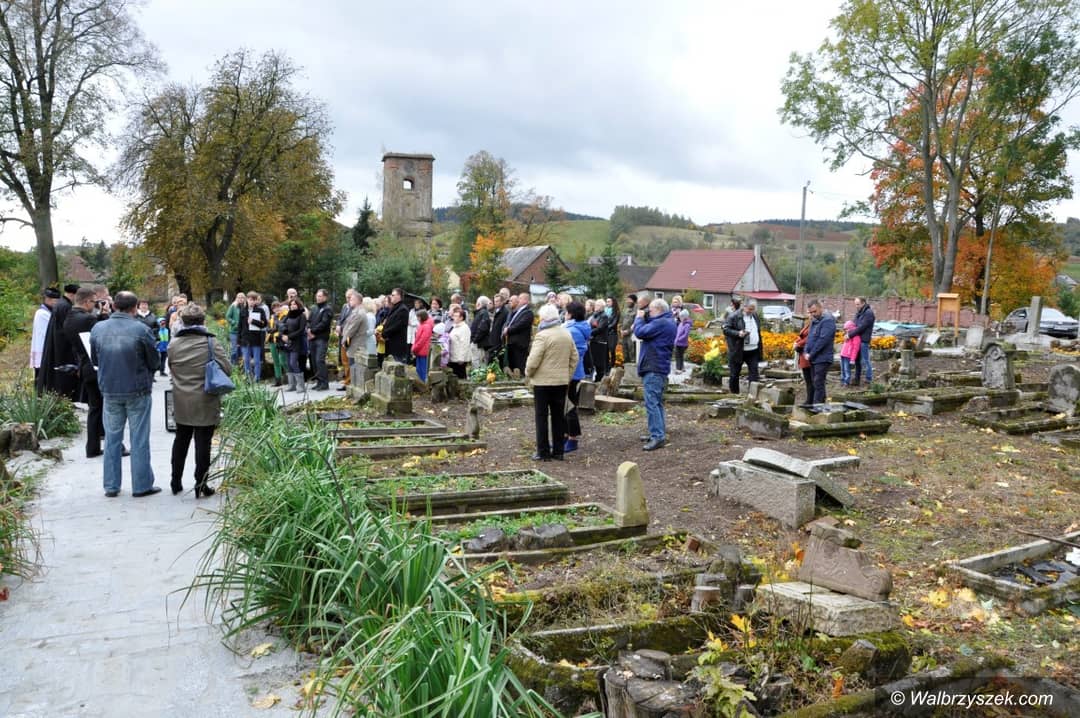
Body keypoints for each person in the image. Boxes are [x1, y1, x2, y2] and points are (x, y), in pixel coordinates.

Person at [90, 291, 160, 498]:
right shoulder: (141, 329)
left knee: (112, 438)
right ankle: (141, 485)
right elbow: (154, 361)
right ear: (134, 308)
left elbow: (95, 359)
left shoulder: (98, 329)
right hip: (137, 389)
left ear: (114, 306)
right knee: (139, 438)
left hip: (110, 389)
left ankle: (111, 485)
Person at [167, 303, 230, 498]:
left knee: (181, 440)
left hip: (181, 398)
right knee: (203, 443)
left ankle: (175, 481)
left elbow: (171, 367)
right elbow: (227, 369)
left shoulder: (174, 344)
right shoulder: (211, 343)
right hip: (205, 398)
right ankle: (200, 484)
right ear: (203, 321)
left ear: (183, 322)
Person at [525, 303, 578, 462]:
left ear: (544, 318)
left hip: (542, 383)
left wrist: (528, 373)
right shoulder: (566, 334)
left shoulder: (542, 336)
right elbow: (574, 358)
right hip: (560, 382)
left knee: (541, 417)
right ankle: (558, 451)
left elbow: (533, 360)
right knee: (558, 417)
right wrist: (567, 375)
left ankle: (543, 451)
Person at [63, 286, 109, 458]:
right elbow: (104, 335)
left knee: (95, 408)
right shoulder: (88, 319)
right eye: (94, 302)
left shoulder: (69, 318)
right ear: (87, 301)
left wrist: (100, 316)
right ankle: (114, 446)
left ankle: (92, 447)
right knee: (107, 408)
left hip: (84, 366)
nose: (95, 305)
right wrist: (105, 315)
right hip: (96, 366)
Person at [634, 298, 676, 451]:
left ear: (658, 309)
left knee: (652, 403)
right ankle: (658, 433)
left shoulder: (661, 323)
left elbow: (640, 332)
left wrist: (639, 318)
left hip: (654, 367)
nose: (648, 313)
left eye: (650, 310)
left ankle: (657, 436)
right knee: (657, 402)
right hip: (658, 366)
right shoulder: (667, 321)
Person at [35, 282, 80, 400]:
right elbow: (66, 329)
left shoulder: (60, 304)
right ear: (73, 294)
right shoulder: (65, 306)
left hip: (56, 342)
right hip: (61, 346)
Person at [562, 301, 591, 454]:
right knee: (565, 405)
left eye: (566, 312)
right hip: (572, 372)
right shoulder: (577, 328)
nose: (564, 314)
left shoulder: (572, 331)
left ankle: (572, 438)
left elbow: (573, 353)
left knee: (569, 406)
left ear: (571, 314)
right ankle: (565, 436)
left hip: (571, 373)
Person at [723, 299, 762, 395]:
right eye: (750, 309)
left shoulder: (755, 316)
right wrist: (738, 333)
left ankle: (752, 395)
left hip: (753, 350)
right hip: (738, 350)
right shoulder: (734, 316)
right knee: (734, 374)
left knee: (754, 373)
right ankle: (734, 395)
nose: (751, 311)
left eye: (753, 309)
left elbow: (758, 331)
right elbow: (726, 329)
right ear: (744, 307)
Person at [803, 299, 837, 404]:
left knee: (818, 382)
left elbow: (823, 340)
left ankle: (817, 405)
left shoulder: (828, 320)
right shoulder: (815, 320)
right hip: (814, 357)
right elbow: (810, 338)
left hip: (823, 357)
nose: (813, 314)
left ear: (820, 308)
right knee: (816, 382)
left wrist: (811, 354)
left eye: (815, 311)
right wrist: (805, 351)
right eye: (811, 312)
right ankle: (821, 404)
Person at [340, 290, 369, 390]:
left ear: (357, 301)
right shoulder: (355, 312)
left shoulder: (359, 313)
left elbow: (351, 330)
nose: (349, 301)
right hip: (353, 344)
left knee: (354, 368)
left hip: (355, 345)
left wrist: (344, 342)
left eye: (352, 299)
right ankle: (353, 387)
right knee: (352, 367)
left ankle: (354, 389)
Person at [31, 287, 59, 382]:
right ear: (48, 299)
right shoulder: (42, 313)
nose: (56, 303)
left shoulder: (47, 312)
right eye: (55, 301)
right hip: (42, 348)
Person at [239, 291, 268, 380]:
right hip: (245, 339)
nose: (251, 301)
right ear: (247, 300)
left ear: (256, 301)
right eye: (250, 299)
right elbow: (239, 326)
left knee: (256, 360)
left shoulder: (260, 310)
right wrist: (238, 340)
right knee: (246, 360)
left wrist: (253, 321)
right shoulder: (243, 310)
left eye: (253, 300)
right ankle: (248, 378)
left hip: (256, 339)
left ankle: (257, 378)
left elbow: (264, 324)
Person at [308, 288, 333, 391]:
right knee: (313, 361)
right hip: (312, 338)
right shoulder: (314, 308)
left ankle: (324, 383)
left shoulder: (327, 309)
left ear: (325, 297)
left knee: (319, 360)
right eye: (317, 296)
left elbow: (324, 323)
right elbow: (309, 320)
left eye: (320, 296)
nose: (318, 298)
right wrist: (308, 330)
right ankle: (318, 381)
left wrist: (312, 331)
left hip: (321, 338)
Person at [503, 293, 534, 376]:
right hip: (512, 343)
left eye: (520, 298)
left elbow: (520, 324)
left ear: (526, 300)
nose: (518, 300)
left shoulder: (528, 312)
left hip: (520, 344)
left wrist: (508, 330)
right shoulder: (519, 311)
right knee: (513, 367)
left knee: (519, 368)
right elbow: (511, 322)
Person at [848, 297, 876, 387]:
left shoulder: (868, 313)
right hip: (857, 339)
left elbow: (861, 327)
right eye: (855, 304)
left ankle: (868, 379)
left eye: (858, 304)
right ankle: (857, 378)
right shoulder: (859, 312)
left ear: (863, 303)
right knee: (857, 360)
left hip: (864, 339)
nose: (856, 306)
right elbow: (854, 324)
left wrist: (850, 335)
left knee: (865, 360)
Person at [281, 298, 307, 392]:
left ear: (298, 305)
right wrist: (284, 333)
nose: (292, 306)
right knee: (288, 364)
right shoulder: (288, 314)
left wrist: (289, 336)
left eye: (294, 304)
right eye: (291, 304)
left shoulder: (301, 315)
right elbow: (282, 324)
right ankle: (291, 385)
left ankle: (301, 386)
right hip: (287, 342)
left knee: (293, 362)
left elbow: (301, 330)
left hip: (296, 342)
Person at [380, 287, 411, 363]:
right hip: (390, 343)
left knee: (396, 366)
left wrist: (384, 333)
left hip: (397, 345)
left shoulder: (403, 309)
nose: (391, 297)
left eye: (393, 295)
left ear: (399, 296)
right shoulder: (395, 308)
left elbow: (396, 326)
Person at [792, 315, 814, 404]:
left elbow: (809, 338)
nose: (809, 314)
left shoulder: (815, 324)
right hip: (803, 353)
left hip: (807, 354)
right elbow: (802, 336)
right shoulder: (808, 323)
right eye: (809, 312)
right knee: (808, 379)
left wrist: (798, 344)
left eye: (812, 312)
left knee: (810, 379)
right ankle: (809, 399)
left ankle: (810, 400)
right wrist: (796, 342)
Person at [447, 305, 472, 379]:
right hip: (453, 356)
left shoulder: (464, 328)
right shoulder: (455, 327)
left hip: (459, 358)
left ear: (461, 318)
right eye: (453, 316)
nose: (453, 317)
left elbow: (464, 344)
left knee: (460, 377)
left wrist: (461, 358)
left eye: (456, 316)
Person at [588, 299, 610, 379]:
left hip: (600, 341)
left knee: (599, 362)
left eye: (597, 305)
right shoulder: (594, 315)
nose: (595, 306)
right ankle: (595, 377)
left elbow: (600, 328)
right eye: (596, 305)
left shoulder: (604, 316)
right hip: (593, 340)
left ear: (602, 307)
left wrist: (589, 332)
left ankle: (600, 379)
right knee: (594, 361)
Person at [268, 300, 288, 387]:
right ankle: (278, 380)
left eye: (278, 307)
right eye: (274, 308)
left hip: (281, 341)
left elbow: (281, 328)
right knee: (276, 361)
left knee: (283, 361)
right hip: (272, 340)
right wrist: (274, 329)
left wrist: (273, 329)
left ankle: (291, 378)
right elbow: (268, 329)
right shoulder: (271, 318)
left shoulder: (284, 316)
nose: (276, 309)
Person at [411, 309, 433, 382]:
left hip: (422, 350)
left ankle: (423, 383)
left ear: (421, 317)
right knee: (418, 369)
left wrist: (415, 348)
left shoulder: (426, 326)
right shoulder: (421, 325)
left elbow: (422, 340)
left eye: (418, 317)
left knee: (422, 370)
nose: (417, 318)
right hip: (418, 350)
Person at [486, 292, 508, 364]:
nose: (495, 303)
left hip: (498, 341)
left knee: (494, 361)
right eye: (495, 301)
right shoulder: (497, 310)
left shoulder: (505, 312)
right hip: (493, 340)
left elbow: (502, 327)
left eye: (497, 301)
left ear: (502, 302)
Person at [470, 296, 492, 365]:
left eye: (477, 302)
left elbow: (482, 329)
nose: (476, 304)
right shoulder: (480, 313)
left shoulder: (483, 313)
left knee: (478, 364)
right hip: (477, 343)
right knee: (476, 363)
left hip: (479, 344)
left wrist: (474, 340)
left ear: (479, 304)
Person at [225, 292, 246, 364]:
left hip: (243, 332)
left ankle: (241, 365)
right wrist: (234, 323)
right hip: (234, 331)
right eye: (239, 297)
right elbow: (227, 317)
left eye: (242, 298)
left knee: (242, 350)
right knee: (235, 349)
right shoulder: (233, 306)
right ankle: (233, 365)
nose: (240, 299)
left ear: (244, 299)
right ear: (236, 298)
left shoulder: (245, 307)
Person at [840, 320, 862, 387]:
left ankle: (847, 382)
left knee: (847, 369)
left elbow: (855, 349)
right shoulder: (847, 335)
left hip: (848, 356)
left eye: (847, 329)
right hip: (843, 354)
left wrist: (852, 359)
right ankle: (842, 381)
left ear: (851, 328)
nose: (846, 330)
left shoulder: (856, 336)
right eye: (845, 329)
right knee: (842, 369)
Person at [673, 308, 691, 373]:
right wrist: (675, 338)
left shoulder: (687, 325)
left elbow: (685, 335)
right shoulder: (681, 324)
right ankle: (682, 368)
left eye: (681, 317)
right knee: (680, 356)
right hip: (677, 342)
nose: (680, 318)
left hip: (682, 343)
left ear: (685, 317)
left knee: (678, 356)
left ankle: (678, 369)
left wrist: (678, 339)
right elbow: (678, 332)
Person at [606, 297, 621, 369]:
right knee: (605, 350)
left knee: (612, 350)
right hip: (606, 333)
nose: (607, 303)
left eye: (609, 301)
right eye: (606, 301)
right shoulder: (605, 310)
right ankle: (606, 365)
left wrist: (605, 327)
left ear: (613, 302)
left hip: (612, 333)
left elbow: (614, 323)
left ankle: (612, 365)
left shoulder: (616, 312)